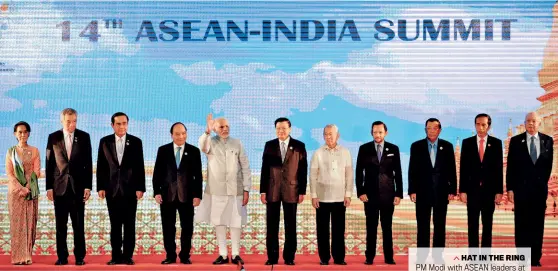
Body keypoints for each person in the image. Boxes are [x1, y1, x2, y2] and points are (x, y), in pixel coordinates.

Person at [196, 114, 250, 265]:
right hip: (216, 190)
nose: (225, 129)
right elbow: (202, 146)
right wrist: (207, 131)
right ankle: (223, 254)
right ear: (215, 129)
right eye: (221, 126)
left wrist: (246, 189)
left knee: (235, 222)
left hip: (236, 190)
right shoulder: (210, 142)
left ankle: (236, 254)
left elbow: (245, 166)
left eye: (227, 126)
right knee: (219, 222)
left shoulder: (237, 143)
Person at [96, 112, 146, 265]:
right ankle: (116, 256)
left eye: (124, 123)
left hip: (130, 189)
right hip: (112, 189)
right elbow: (101, 166)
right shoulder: (104, 142)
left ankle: (128, 256)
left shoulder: (136, 142)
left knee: (130, 225)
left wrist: (140, 188)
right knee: (115, 225)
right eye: (118, 124)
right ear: (112, 125)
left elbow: (140, 167)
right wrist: (100, 187)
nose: (122, 126)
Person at [45, 108, 92, 266]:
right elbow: (49, 163)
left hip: (78, 188)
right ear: (62, 121)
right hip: (59, 188)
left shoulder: (84, 137)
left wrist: (88, 186)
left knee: (78, 225)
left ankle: (79, 257)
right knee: (61, 225)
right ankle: (62, 257)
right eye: (68, 121)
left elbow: (88, 163)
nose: (72, 124)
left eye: (74, 121)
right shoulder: (53, 137)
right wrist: (49, 187)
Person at [506, 112, 553, 267]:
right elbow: (511, 168)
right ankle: (522, 257)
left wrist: (542, 184)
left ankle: (535, 258)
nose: (531, 124)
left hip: (539, 191)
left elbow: (548, 166)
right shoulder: (515, 141)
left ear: (539, 123)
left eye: (534, 121)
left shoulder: (547, 140)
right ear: (524, 124)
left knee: (537, 225)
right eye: (528, 121)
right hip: (521, 190)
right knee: (521, 224)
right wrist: (511, 189)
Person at [152, 122, 203, 265]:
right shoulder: (163, 150)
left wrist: (197, 195)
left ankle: (185, 255)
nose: (181, 136)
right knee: (168, 227)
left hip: (187, 196)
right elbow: (157, 174)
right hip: (167, 195)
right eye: (177, 134)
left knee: (187, 227)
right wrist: (156, 192)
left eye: (183, 133)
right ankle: (170, 255)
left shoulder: (194, 151)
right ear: (172, 135)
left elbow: (198, 176)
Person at [260, 117, 308, 265]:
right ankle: (272, 257)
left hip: (292, 190)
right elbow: (264, 170)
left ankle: (289, 258)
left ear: (290, 129)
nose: (281, 131)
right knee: (272, 226)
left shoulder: (299, 146)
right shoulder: (269, 145)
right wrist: (263, 191)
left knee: (290, 225)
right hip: (272, 190)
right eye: (278, 128)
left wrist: (302, 191)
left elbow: (303, 170)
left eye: (284, 128)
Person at [408, 118, 457, 262]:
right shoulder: (416, 146)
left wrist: (452, 190)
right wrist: (412, 190)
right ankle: (421, 256)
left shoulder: (447, 146)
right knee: (422, 226)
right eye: (428, 128)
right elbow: (412, 170)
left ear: (439, 130)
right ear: (425, 129)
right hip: (422, 192)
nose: (431, 131)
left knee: (440, 226)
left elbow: (452, 170)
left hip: (441, 192)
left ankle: (438, 256)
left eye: (434, 128)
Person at [356, 121, 402, 265]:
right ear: (372, 133)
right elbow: (359, 172)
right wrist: (360, 191)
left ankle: (389, 257)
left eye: (380, 132)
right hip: (369, 196)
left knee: (387, 227)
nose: (377, 135)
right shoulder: (364, 149)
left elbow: (398, 173)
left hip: (388, 195)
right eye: (375, 132)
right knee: (371, 227)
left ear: (385, 133)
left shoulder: (394, 149)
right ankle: (369, 257)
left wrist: (398, 193)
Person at [309, 124, 353, 265]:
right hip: (322, 197)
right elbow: (313, 175)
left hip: (340, 197)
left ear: (337, 136)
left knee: (338, 230)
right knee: (322, 230)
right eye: (326, 134)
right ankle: (324, 258)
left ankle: (339, 258)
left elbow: (349, 175)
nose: (328, 137)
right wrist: (314, 195)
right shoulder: (318, 152)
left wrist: (348, 194)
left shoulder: (345, 152)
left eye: (331, 134)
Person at [459, 114, 503, 249]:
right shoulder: (467, 143)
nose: (480, 127)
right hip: (472, 191)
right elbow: (463, 168)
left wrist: (499, 191)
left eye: (483, 124)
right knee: (472, 224)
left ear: (489, 126)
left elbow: (498, 169)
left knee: (487, 224)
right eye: (478, 124)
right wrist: (462, 190)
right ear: (475, 125)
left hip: (489, 192)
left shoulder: (496, 143)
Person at [5, 121, 40, 265]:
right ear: (15, 134)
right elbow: (9, 173)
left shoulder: (34, 150)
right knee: (17, 225)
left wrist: (28, 187)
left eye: (25, 132)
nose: (23, 134)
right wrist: (21, 188)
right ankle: (17, 257)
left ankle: (27, 256)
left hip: (31, 192)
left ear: (29, 133)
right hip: (16, 193)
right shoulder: (10, 152)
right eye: (20, 132)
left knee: (30, 223)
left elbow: (36, 171)